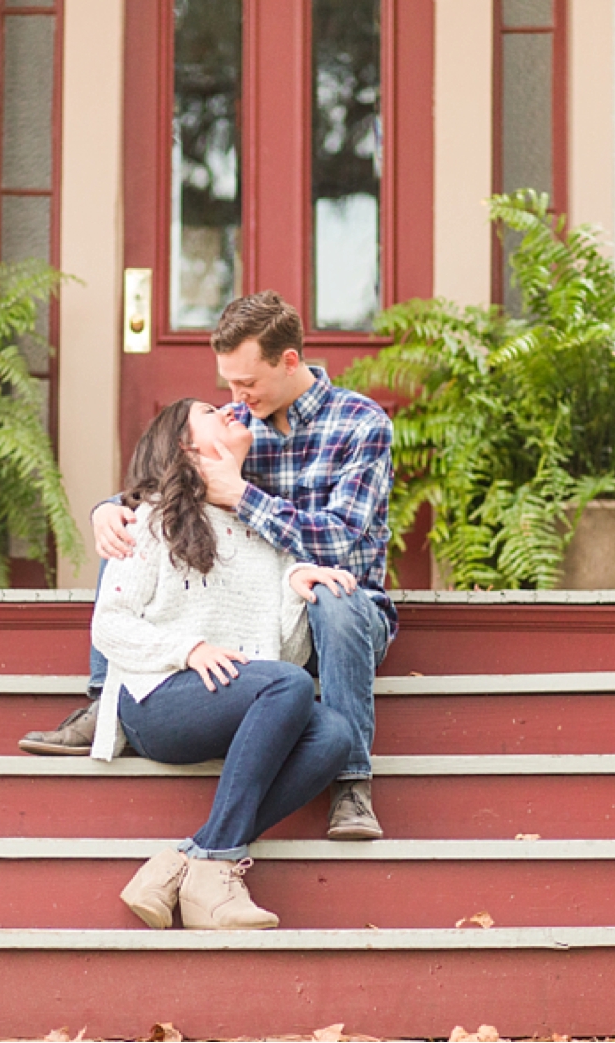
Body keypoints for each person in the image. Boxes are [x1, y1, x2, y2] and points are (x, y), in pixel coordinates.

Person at [20, 290, 396, 840]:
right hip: (266, 618)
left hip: (343, 615)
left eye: (247, 384)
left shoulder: (360, 424)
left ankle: (353, 784)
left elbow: (338, 543)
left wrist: (244, 497)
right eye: (228, 385)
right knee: (128, 529)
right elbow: (165, 490)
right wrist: (110, 509)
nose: (235, 398)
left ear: (289, 361)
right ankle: (106, 702)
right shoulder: (241, 421)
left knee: (334, 600)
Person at [94, 398, 359, 930]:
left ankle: (189, 862)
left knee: (333, 733)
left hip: (235, 704)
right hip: (158, 701)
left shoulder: (265, 529)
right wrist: (187, 649)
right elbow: (109, 624)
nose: (233, 409)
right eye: (213, 411)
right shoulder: (151, 523)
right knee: (289, 688)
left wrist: (294, 591)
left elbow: (281, 659)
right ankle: (213, 873)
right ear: (189, 448)